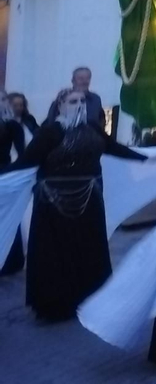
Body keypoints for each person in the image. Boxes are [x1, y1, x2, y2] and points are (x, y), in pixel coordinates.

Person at [1, 88, 147, 321]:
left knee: (89, 250)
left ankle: (90, 299)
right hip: (53, 204)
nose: (78, 104)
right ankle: (56, 307)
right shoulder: (50, 132)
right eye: (72, 101)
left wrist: (148, 158)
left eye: (81, 101)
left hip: (89, 202)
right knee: (55, 254)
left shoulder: (92, 129)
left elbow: (116, 149)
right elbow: (27, 161)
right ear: (60, 105)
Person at [1, 94, 23, 275]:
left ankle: (9, 260)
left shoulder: (12, 125)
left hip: (4, 175)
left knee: (6, 216)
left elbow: (23, 153)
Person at [45, 66, 105, 133]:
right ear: (73, 80)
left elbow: (101, 121)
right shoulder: (60, 101)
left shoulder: (96, 99)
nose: (85, 81)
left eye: (87, 78)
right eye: (80, 78)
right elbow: (49, 127)